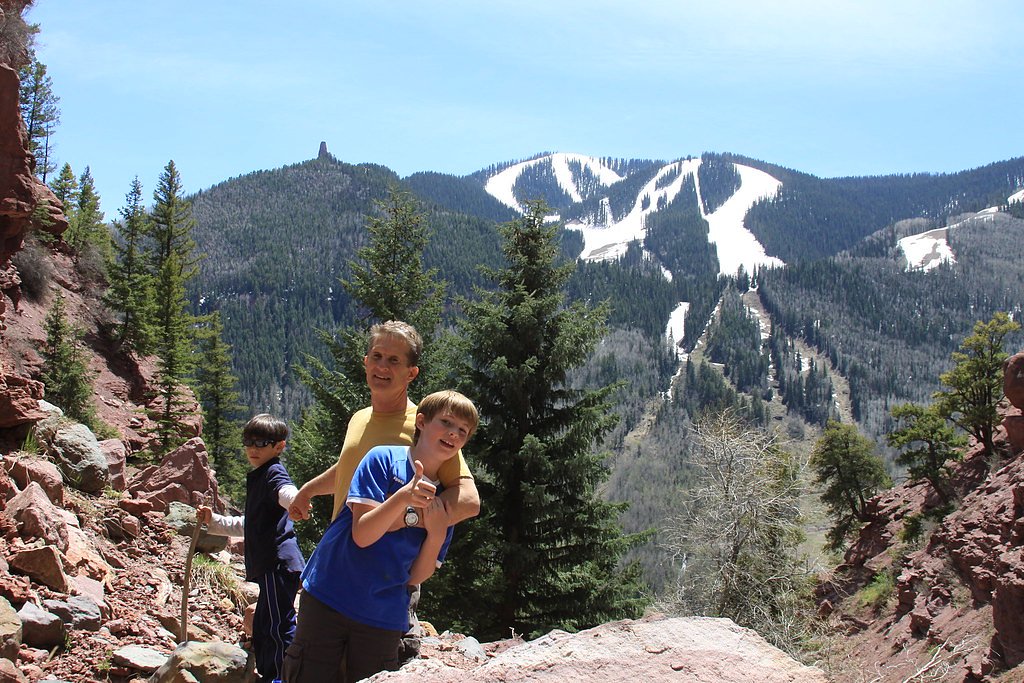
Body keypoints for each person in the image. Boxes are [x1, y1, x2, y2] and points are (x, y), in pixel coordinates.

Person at [287, 320, 480, 658]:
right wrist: (309, 490)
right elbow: (348, 468)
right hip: (339, 567)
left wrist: (400, 517)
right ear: (365, 361)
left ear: (411, 373)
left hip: (386, 580)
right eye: (377, 356)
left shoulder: (426, 428)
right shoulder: (361, 418)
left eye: (394, 361)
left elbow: (467, 501)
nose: (382, 367)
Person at [196, 414, 305, 683]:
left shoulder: (273, 473)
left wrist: (296, 502)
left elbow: (286, 491)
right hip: (273, 565)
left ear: (279, 447)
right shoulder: (260, 475)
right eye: (248, 441)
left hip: (278, 563)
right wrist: (214, 521)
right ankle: (272, 674)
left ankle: (282, 677)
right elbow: (250, 524)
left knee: (277, 626)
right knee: (266, 625)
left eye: (262, 442)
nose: (253, 448)